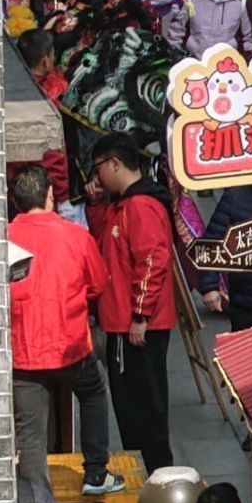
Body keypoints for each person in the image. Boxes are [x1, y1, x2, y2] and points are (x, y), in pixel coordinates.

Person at [9, 163, 119, 496]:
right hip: (70, 343)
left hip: (23, 349)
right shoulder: (75, 236)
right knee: (94, 394)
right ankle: (96, 473)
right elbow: (98, 283)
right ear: (50, 195)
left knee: (30, 431)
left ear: (15, 202)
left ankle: (36, 501)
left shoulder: (3, 238)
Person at [90, 150, 180, 473]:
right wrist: (96, 203)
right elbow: (106, 240)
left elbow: (153, 260)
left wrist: (140, 314)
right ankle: (147, 471)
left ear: (115, 162)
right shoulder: (124, 203)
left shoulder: (140, 205)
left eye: (98, 167)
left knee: (145, 407)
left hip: (138, 325)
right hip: (124, 321)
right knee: (131, 406)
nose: (96, 176)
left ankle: (156, 473)